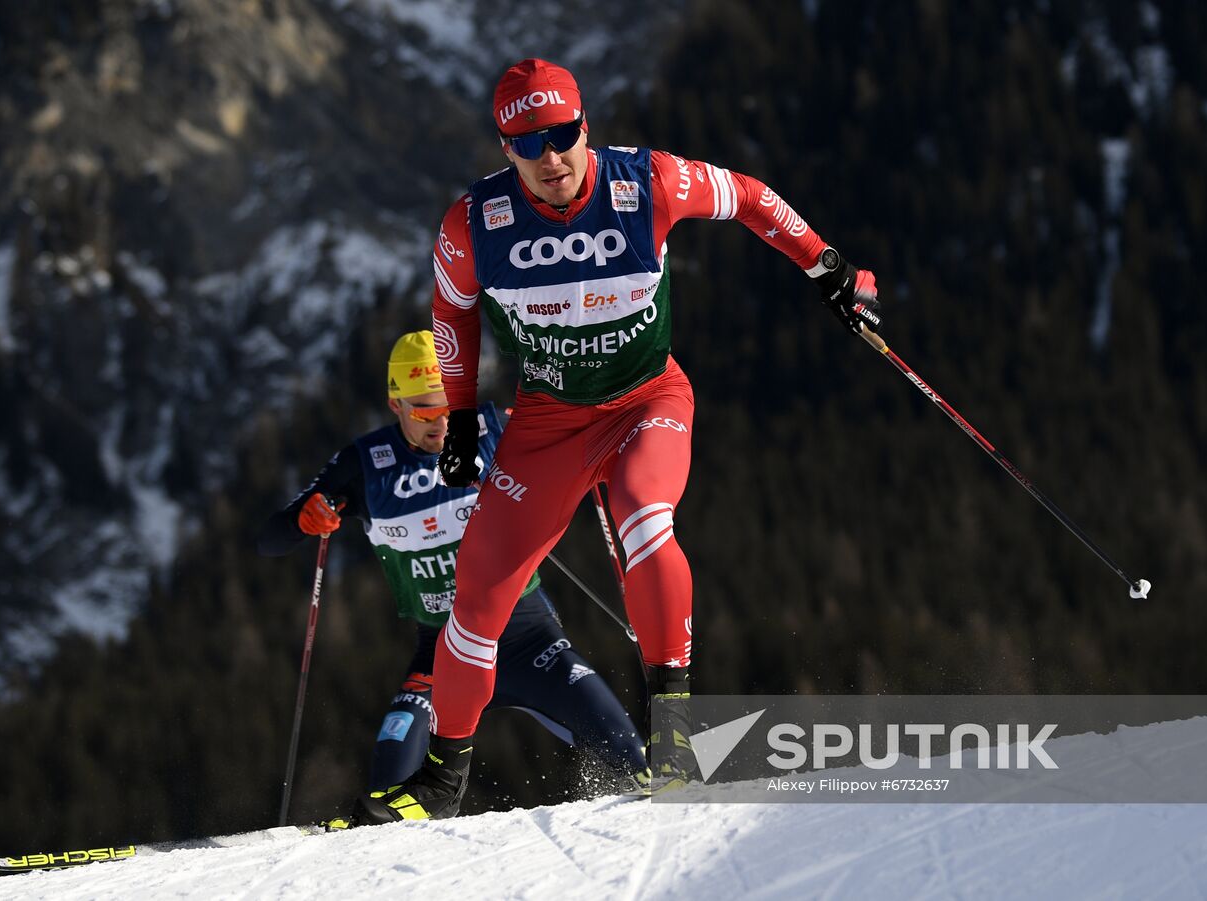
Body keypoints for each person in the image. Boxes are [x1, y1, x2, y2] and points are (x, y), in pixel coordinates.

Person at [355, 59, 879, 824]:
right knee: (475, 599)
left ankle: (671, 736)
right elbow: (451, 315)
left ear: (585, 126)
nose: (551, 156)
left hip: (646, 401)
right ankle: (443, 778)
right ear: (505, 148)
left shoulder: (649, 183)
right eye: (529, 142)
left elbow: (750, 197)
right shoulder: (474, 224)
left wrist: (827, 265)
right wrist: (463, 416)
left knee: (644, 520)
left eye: (563, 134)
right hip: (548, 423)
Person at [257, 330, 648, 823]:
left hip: (529, 641)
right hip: (441, 656)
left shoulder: (492, 428)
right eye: (423, 411)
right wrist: (305, 518)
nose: (441, 423)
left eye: (448, 407)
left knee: (634, 757)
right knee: (386, 793)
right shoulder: (365, 464)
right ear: (394, 402)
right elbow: (270, 538)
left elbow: (588, 440)